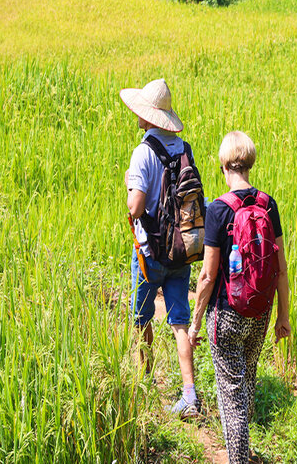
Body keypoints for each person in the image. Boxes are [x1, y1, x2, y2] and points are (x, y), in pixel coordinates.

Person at [188, 131, 291, 463]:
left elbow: (207, 275)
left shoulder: (218, 210)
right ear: (250, 163)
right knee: (247, 376)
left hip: (227, 313)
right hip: (260, 309)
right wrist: (283, 317)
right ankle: (243, 450)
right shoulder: (267, 204)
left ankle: (238, 458)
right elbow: (281, 268)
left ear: (223, 165)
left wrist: (195, 323)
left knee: (229, 395)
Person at [121, 78, 200, 418]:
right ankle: (190, 396)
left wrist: (128, 186)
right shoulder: (184, 149)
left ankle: (145, 380)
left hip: (149, 251)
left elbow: (136, 208)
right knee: (179, 322)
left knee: (140, 318)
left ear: (149, 117)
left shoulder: (143, 153)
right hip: (182, 249)